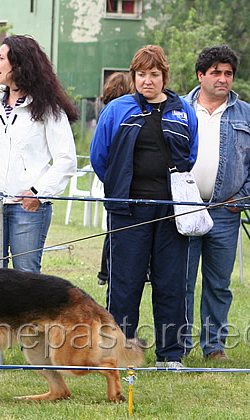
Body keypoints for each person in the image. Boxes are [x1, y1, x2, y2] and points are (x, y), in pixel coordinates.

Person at [0, 35, 78, 365]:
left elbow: (66, 159)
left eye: (1, 59)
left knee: (27, 277)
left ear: (20, 65)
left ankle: (34, 354)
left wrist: (39, 192)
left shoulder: (48, 109)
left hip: (29, 208)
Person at [90, 45, 198, 368]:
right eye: (141, 74)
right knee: (125, 284)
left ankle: (171, 355)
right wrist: (122, 189)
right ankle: (120, 352)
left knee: (171, 283)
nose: (147, 81)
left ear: (164, 76)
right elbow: (100, 157)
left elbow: (191, 155)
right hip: (128, 211)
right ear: (133, 76)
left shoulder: (184, 111)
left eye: (154, 74)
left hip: (170, 212)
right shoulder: (117, 110)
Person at [182, 45, 250, 360]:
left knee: (219, 284)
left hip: (225, 211)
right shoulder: (177, 109)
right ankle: (177, 345)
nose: (223, 79)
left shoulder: (249, 115)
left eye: (228, 73)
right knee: (181, 281)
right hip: (184, 210)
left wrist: (242, 200)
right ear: (200, 75)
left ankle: (214, 347)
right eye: (216, 72)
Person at [96, 72, 134, 285]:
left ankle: (105, 272)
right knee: (115, 231)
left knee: (112, 231)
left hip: (115, 181)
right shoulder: (116, 114)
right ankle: (107, 272)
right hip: (118, 181)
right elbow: (99, 155)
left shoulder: (105, 112)